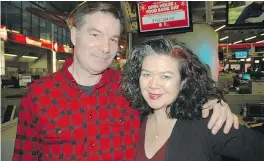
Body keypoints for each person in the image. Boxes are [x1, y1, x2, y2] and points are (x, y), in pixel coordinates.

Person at [12, 2, 239, 161]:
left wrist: (212, 102)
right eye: (95, 35)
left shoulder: (131, 88)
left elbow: (174, 95)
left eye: (112, 39)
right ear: (73, 35)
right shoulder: (37, 95)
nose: (105, 48)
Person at [121, 38, 264, 161]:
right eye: (146, 74)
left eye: (165, 76)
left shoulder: (208, 123)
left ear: (183, 82)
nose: (153, 85)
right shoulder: (135, 119)